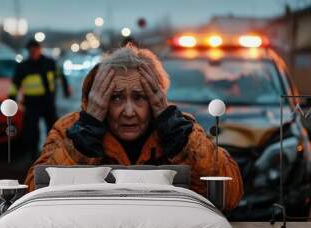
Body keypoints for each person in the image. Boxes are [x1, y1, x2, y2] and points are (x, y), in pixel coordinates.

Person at [24, 45, 243, 211]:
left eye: (140, 97)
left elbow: (229, 195)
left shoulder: (182, 129)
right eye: (116, 98)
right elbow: (34, 193)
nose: (129, 111)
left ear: (155, 99)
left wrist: (174, 131)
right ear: (100, 99)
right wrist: (86, 133)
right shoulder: (69, 129)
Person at [9, 39, 71, 160]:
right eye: (31, 51)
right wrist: (11, 99)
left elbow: (60, 76)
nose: (33, 53)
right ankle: (33, 155)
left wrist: (66, 89)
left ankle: (53, 152)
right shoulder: (23, 67)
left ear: (39, 50)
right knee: (32, 131)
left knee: (53, 129)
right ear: (28, 51)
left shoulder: (49, 63)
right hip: (31, 104)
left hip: (48, 102)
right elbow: (14, 84)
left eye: (35, 50)